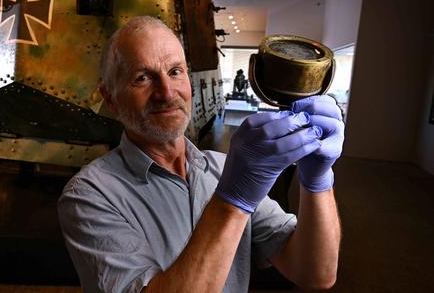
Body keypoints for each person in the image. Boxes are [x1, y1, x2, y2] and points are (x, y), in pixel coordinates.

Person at [57, 16, 343, 293]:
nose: (166, 92)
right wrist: (233, 203)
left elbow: (315, 274)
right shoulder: (89, 195)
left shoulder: (224, 169)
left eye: (175, 72)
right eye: (142, 78)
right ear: (110, 98)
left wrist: (318, 181)